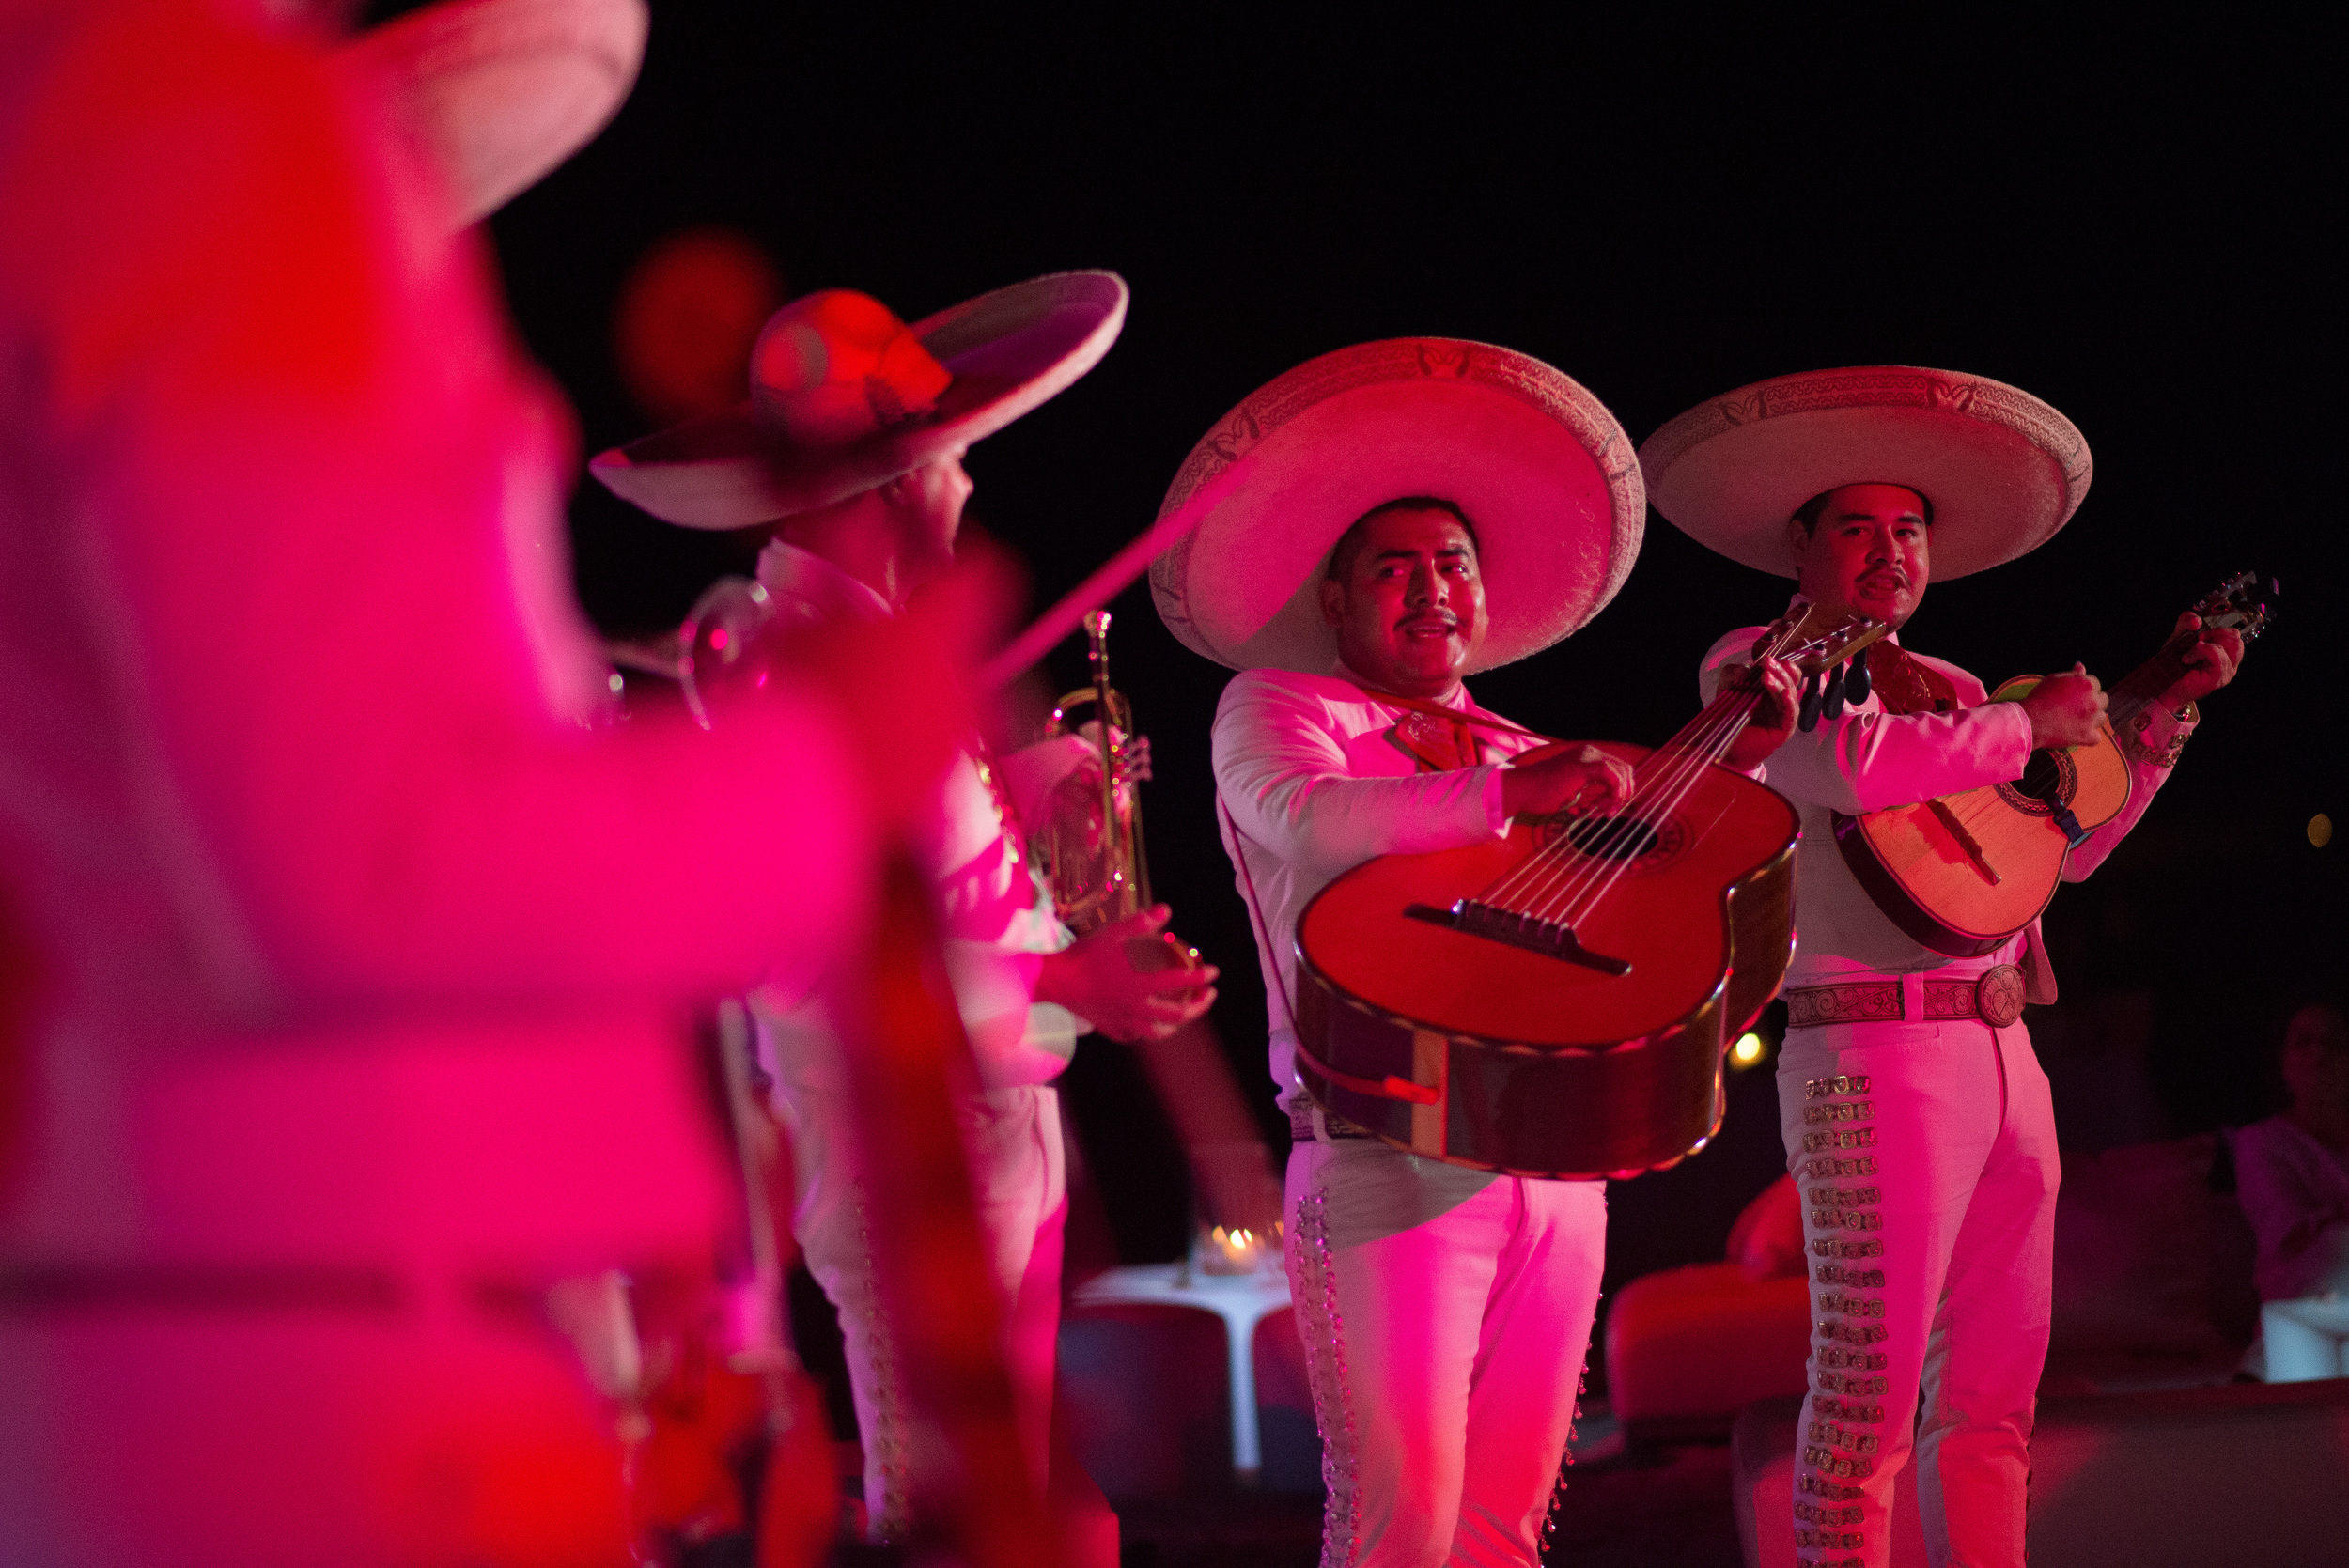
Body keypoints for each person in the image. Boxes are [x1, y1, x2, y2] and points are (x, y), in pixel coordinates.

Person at [0, 1, 957, 1561]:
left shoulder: (76, 112)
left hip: (182, 1329)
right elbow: (365, 859)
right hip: (324, 1381)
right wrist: (832, 769)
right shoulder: (194, 123)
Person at [592, 279, 1219, 1554]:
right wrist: (1059, 987)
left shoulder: (871, 652)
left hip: (993, 1133)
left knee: (1041, 1514)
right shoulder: (776, 664)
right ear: (892, 484)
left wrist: (1052, 807)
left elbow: (935, 882)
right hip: (899, 1160)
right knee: (948, 1516)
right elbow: (798, 955)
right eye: (954, 465)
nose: (967, 493)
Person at [1149, 338, 1793, 1567]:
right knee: (1398, 1525)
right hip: (1384, 1160)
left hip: (1556, 1164)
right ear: (1335, 602)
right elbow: (1304, 819)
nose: (1431, 585)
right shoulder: (1280, 709)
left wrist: (1742, 749)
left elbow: (1657, 857)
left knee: (1507, 1526)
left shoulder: (1522, 741)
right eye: (1394, 568)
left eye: (1454, 562)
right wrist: (1509, 799)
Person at [1642, 365, 2248, 1568]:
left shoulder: (1956, 690)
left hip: (2005, 1046)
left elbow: (2053, 856)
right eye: (1855, 529)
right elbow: (1841, 768)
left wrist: (2153, 725)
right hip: (1867, 1046)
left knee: (1993, 1395)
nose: (1886, 551)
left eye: (1906, 529)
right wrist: (2037, 725)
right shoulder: (1754, 668)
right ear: (1798, 549)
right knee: (1863, 1388)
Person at [2233, 1002, 2349, 1380]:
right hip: (2303, 1308)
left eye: (2333, 1043)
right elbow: (2295, 1237)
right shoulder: (2261, 1144)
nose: (2319, 1054)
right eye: (2304, 1042)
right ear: (2285, 1063)